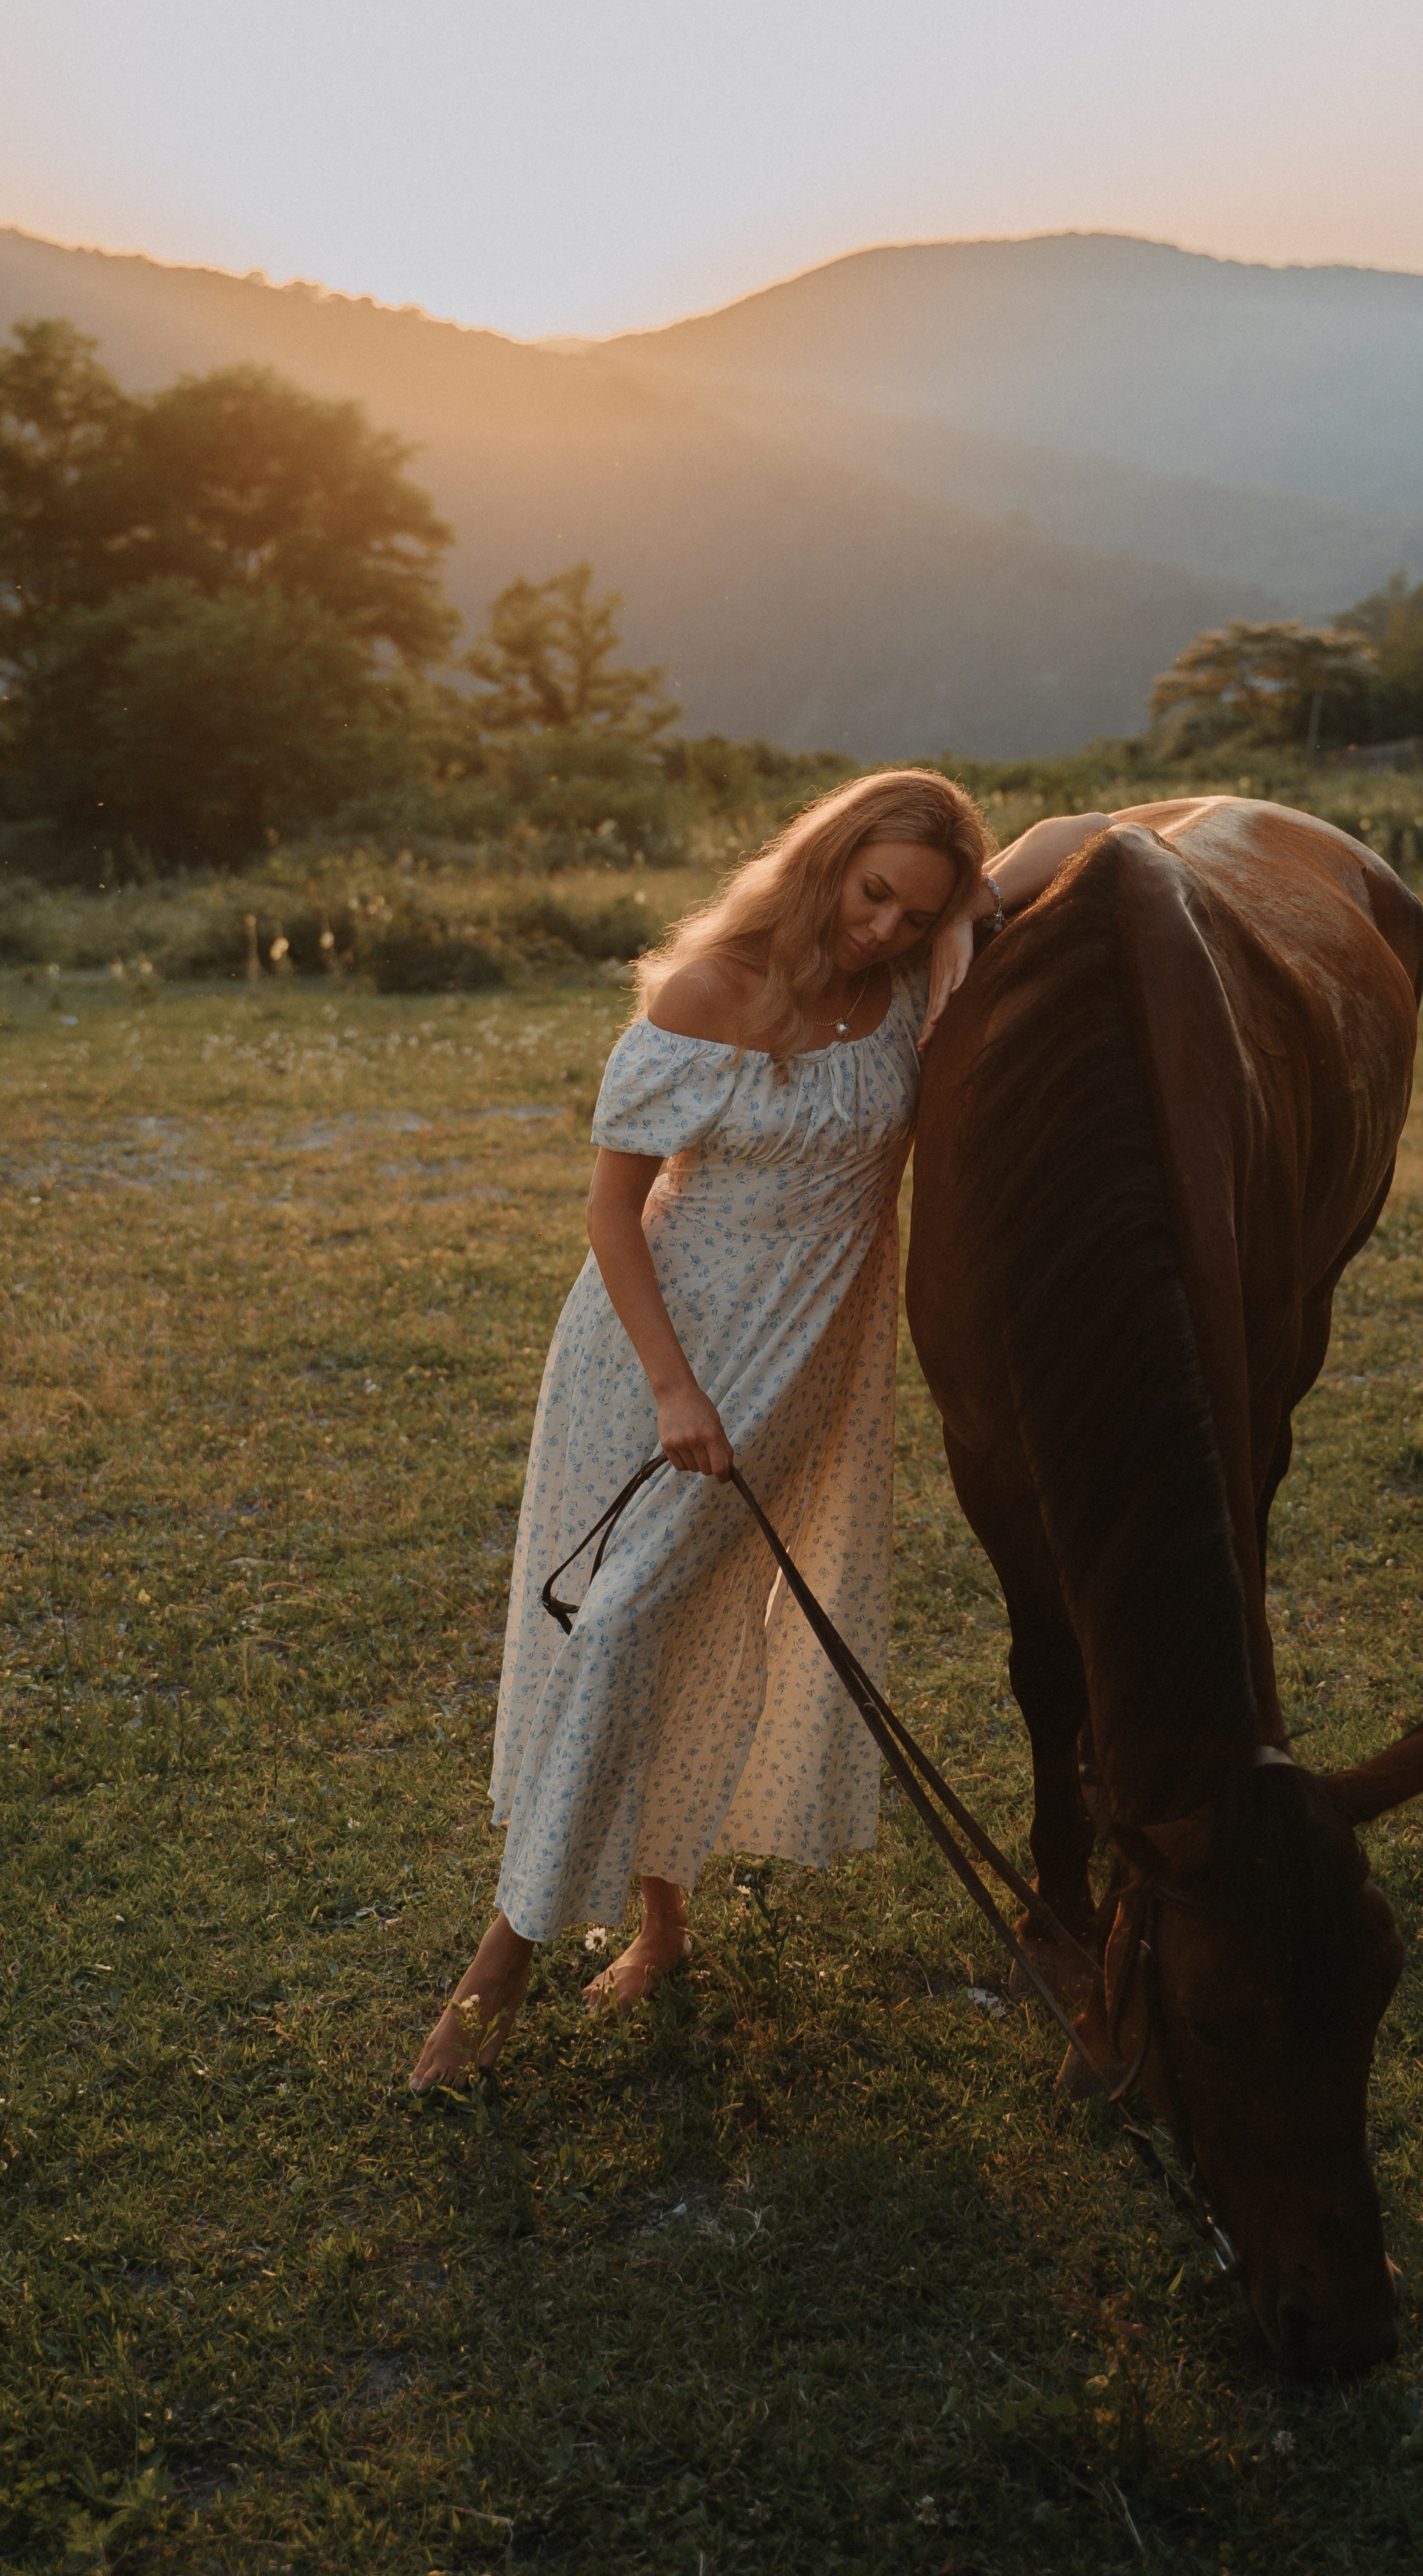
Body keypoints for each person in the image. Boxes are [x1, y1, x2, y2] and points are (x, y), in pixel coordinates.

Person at [409, 774, 1118, 2088]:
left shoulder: (914, 980)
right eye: (873, 894)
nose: (884, 930)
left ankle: (657, 1923)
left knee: (691, 1612)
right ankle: (496, 1978)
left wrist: (967, 912)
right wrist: (677, 1389)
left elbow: (1084, 837)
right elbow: (614, 1215)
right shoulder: (708, 992)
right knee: (619, 1624)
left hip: (803, 1355)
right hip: (651, 1352)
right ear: (825, 861)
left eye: (913, 910)